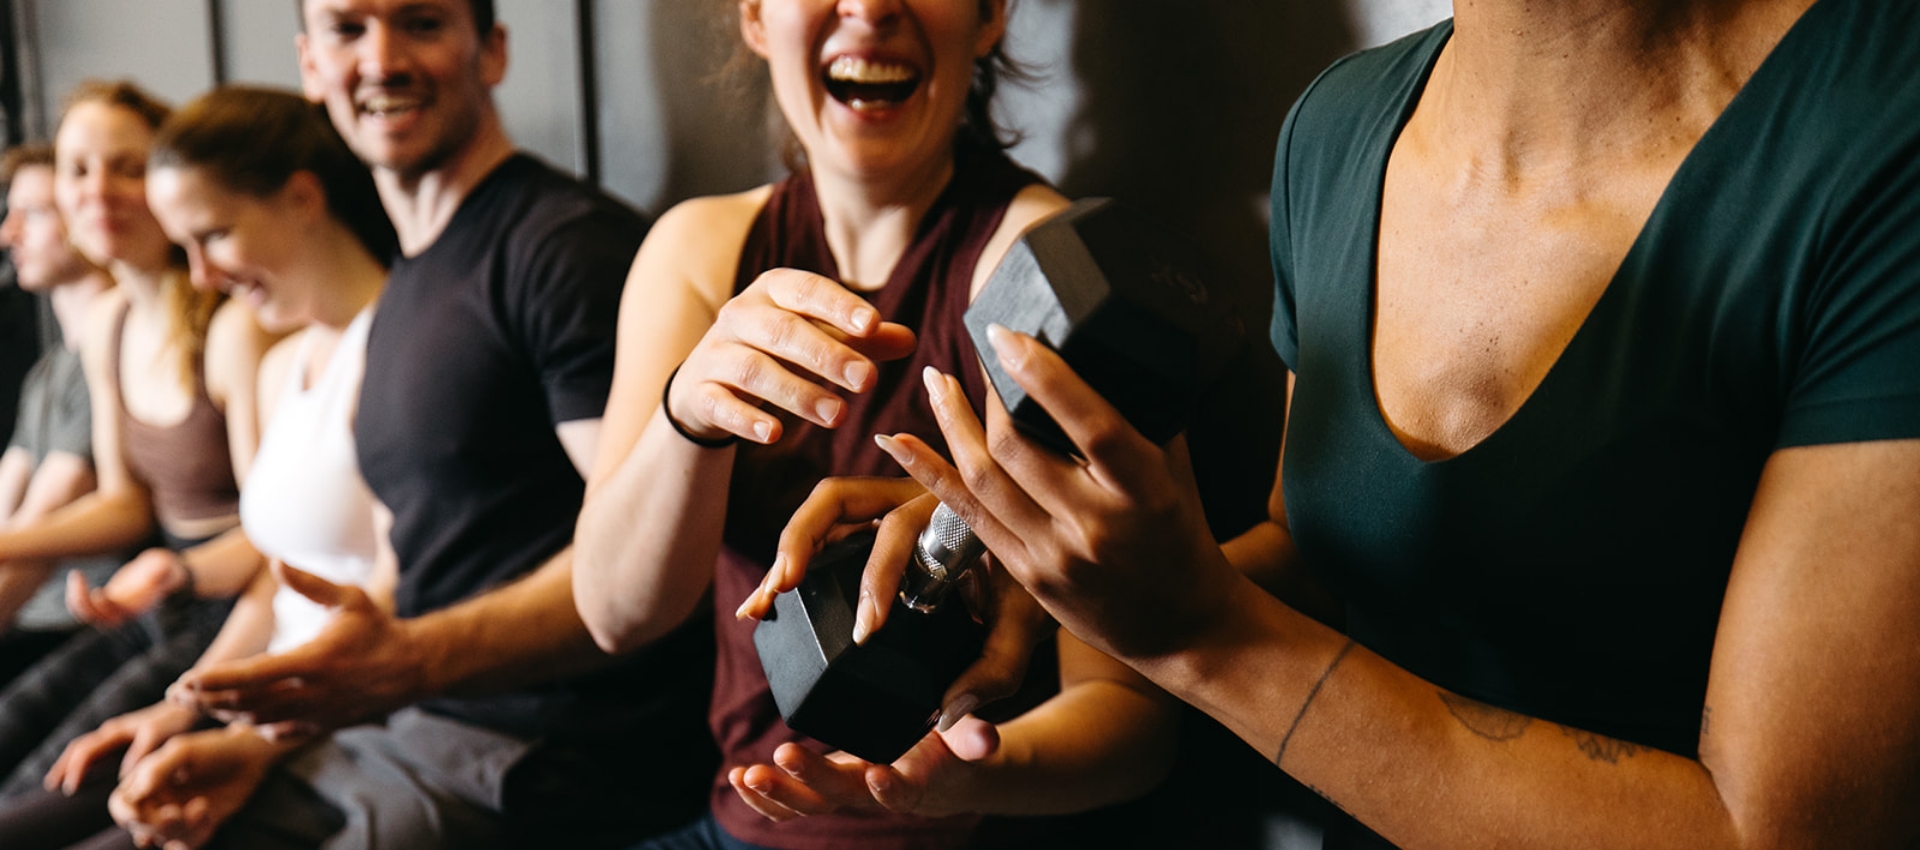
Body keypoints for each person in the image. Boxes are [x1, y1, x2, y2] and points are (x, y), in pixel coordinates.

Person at [874, 0, 1920, 847]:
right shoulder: (1338, 127)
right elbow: (1322, 555)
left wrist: (1207, 637)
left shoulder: (1880, 125)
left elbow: (1779, 832)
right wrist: (1065, 579)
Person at [566, 0, 1297, 846]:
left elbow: (1130, 724)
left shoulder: (1048, 276)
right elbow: (618, 614)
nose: (871, 6)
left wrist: (947, 782)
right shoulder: (696, 252)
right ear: (758, 18)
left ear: (988, 18)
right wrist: (689, 415)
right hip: (735, 831)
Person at [167, 2, 716, 847]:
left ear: (490, 51)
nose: (381, 59)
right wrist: (252, 742)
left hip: (549, 762)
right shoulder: (406, 284)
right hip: (405, 732)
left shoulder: (562, 250)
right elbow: (409, 574)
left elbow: (653, 559)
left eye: (420, 21)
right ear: (311, 66)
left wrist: (410, 663)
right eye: (349, 29)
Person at [0, 84, 398, 850]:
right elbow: (266, 564)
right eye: (77, 170)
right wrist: (188, 690)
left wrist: (218, 706)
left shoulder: (251, 338)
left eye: (124, 168)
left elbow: (334, 577)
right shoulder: (279, 357)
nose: (206, 275)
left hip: (265, 658)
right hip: (201, 614)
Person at [0, 80, 274, 798]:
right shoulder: (111, 322)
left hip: (232, 603)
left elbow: (279, 533)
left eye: (128, 167)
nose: (99, 191)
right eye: (78, 170)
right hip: (151, 599)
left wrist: (176, 572)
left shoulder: (230, 327)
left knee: (39, 788)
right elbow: (126, 501)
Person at [0, 144, 119, 683]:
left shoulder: (112, 354)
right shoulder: (49, 372)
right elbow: (6, 512)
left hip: (81, 628)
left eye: (34, 213)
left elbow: (34, 541)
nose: (9, 233)